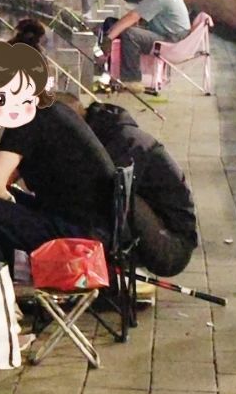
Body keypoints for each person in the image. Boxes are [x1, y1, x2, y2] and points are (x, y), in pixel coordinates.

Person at [0, 39, 116, 269]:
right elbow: (2, 177)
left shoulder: (29, 118)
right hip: (88, 227)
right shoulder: (40, 109)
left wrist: (7, 201)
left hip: (80, 237)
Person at [84, 100, 198, 276]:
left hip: (173, 245)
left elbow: (103, 193)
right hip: (163, 230)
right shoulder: (112, 131)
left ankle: (101, 271)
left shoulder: (124, 142)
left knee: (112, 193)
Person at [102, 0, 190, 85]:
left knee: (130, 34)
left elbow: (133, 16)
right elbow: (137, 15)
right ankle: (114, 70)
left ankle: (132, 81)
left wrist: (109, 37)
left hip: (173, 39)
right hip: (174, 34)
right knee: (121, 26)